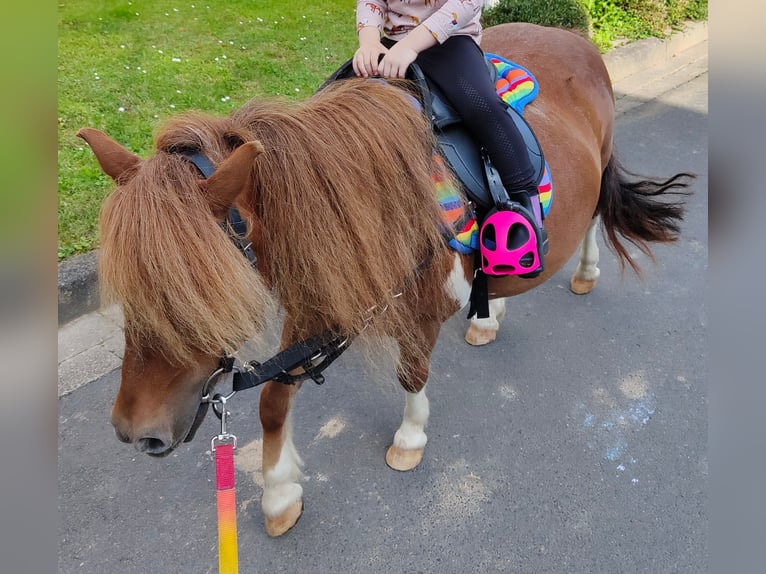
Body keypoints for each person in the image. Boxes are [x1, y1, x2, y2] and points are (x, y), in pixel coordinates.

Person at [353, 0, 547, 277]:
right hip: (390, 44)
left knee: (482, 107)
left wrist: (410, 46)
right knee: (336, 105)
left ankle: (526, 203)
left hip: (450, 41)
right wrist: (369, 41)